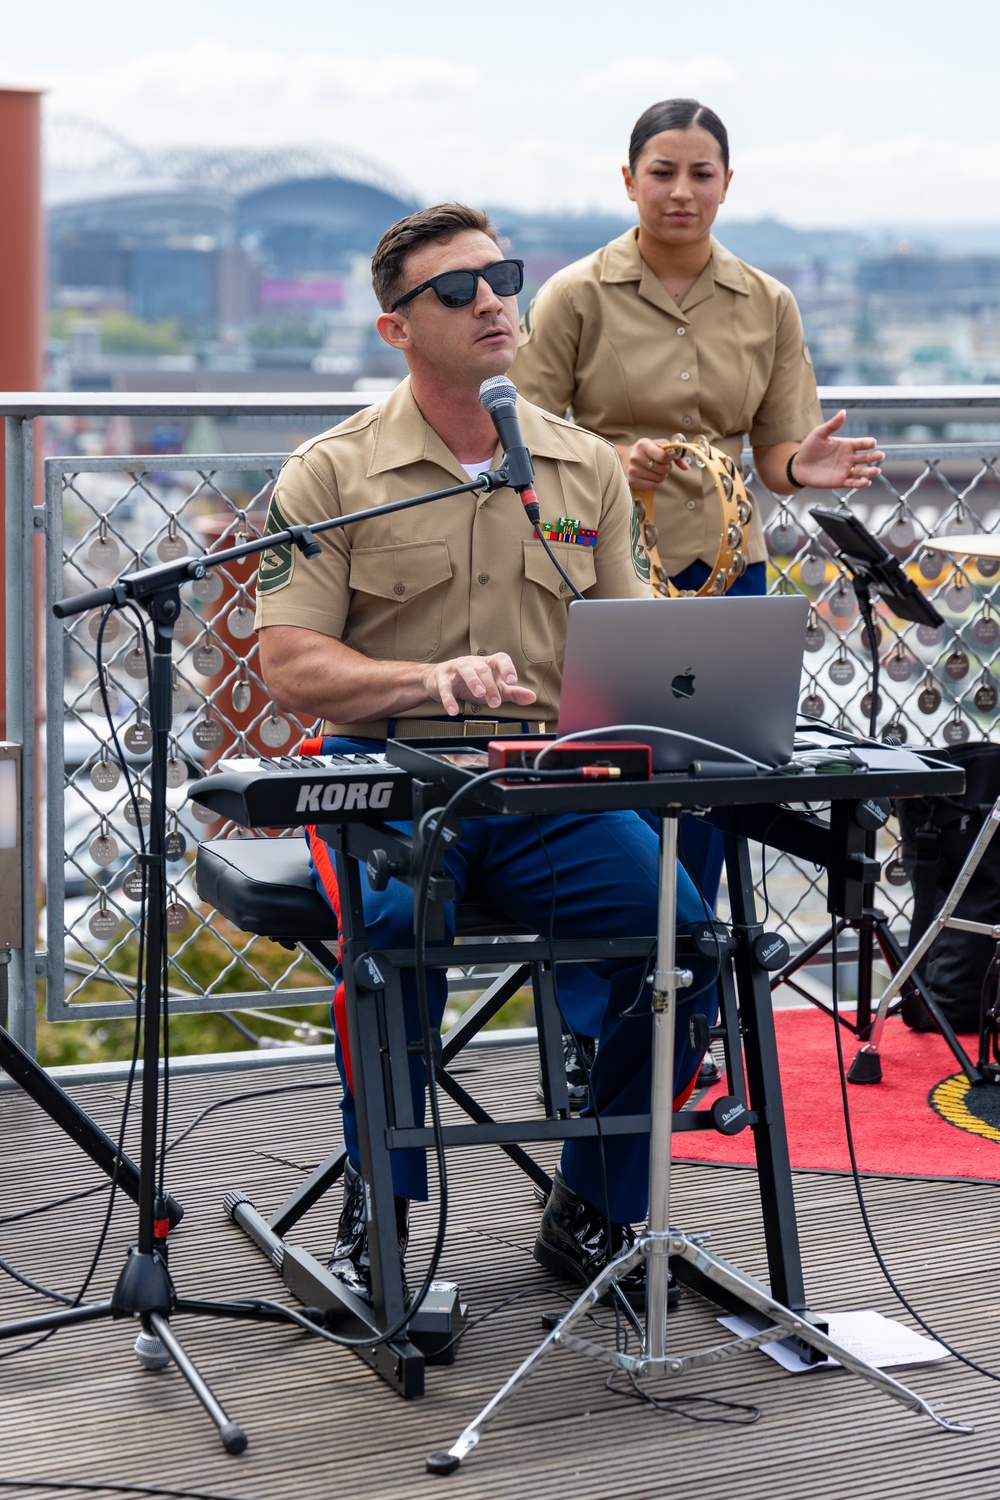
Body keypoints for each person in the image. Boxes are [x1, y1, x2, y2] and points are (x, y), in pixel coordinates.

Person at [254, 203, 717, 1309]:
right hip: (388, 779)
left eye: (499, 277)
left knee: (689, 947)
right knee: (387, 950)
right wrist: (423, 679)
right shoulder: (333, 470)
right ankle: (388, 1210)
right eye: (455, 290)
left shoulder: (580, 469)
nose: (491, 301)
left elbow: (634, 648)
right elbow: (288, 665)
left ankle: (596, 1201)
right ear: (395, 329)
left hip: (546, 786)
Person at [511, 98, 884, 1085]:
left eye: (701, 173)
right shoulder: (574, 296)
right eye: (663, 171)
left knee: (717, 795)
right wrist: (600, 461)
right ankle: (601, 1023)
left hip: (724, 577)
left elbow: (772, 452)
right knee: (605, 797)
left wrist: (804, 469)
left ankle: (687, 1013)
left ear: (726, 182)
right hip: (602, 575)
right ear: (627, 179)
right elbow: (520, 438)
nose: (682, 191)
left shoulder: (765, 301)